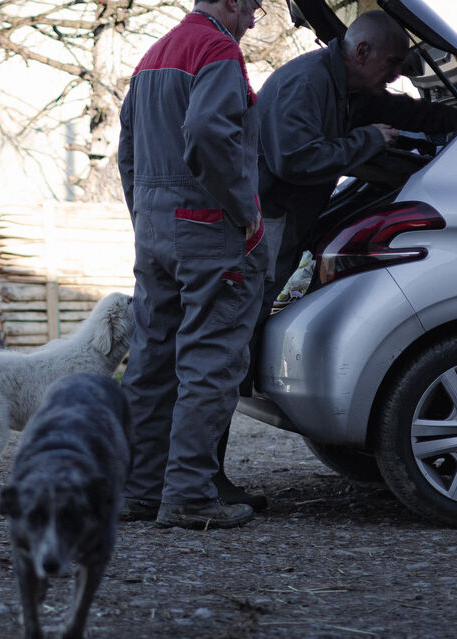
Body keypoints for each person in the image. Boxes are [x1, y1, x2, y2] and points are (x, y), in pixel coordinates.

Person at [213, 9, 457, 489]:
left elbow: (401, 111)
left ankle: (200, 476)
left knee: (235, 345)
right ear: (363, 51)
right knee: (229, 347)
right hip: (265, 228)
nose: (397, 75)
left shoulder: (346, 84)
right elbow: (294, 159)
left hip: (279, 226)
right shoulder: (308, 84)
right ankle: (203, 479)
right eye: (392, 64)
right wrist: (366, 141)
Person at [116, 0, 267, 530]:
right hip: (207, 227)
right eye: (253, 6)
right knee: (210, 358)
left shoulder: (152, 56)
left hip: (155, 228)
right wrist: (245, 208)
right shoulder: (216, 48)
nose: (253, 19)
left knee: (151, 358)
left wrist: (144, 214)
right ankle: (188, 496)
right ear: (231, 1)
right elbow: (206, 131)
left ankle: (138, 490)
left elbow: (127, 151)